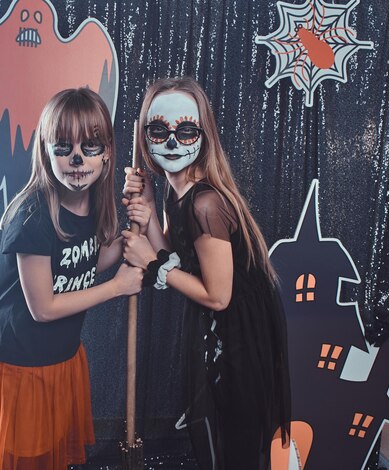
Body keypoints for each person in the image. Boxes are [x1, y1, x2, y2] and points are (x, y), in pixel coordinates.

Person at [0, 88, 143, 470]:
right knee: (24, 460)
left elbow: (85, 266)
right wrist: (117, 288)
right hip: (22, 365)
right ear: (46, 151)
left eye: (90, 146)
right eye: (64, 146)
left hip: (61, 358)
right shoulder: (32, 215)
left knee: (49, 456)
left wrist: (134, 231)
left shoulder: (92, 204)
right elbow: (44, 308)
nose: (77, 159)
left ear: (108, 151)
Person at [122, 77, 291, 470]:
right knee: (215, 441)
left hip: (238, 335)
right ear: (146, 136)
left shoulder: (206, 203)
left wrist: (150, 263)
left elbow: (218, 296)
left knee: (236, 441)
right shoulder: (175, 189)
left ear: (203, 135)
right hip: (215, 325)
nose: (171, 143)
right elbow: (174, 256)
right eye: (159, 131)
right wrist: (147, 209)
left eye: (185, 131)